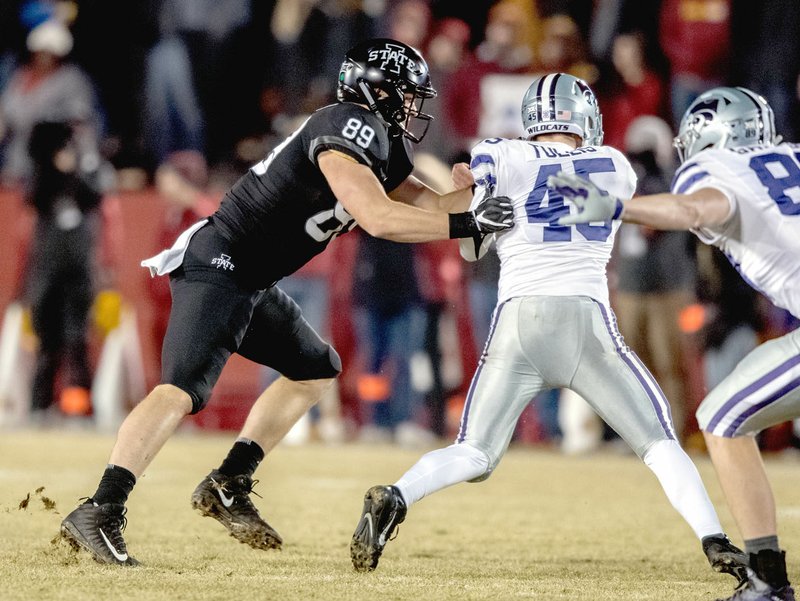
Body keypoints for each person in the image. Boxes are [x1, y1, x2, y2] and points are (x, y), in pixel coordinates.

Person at [58, 37, 514, 566]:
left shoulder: (377, 142)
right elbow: (379, 217)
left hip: (251, 277)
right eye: (408, 96)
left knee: (314, 367)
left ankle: (229, 482)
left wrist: (476, 191)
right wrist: (465, 220)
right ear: (378, 91)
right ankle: (101, 508)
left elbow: (432, 206)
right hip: (222, 262)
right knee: (180, 389)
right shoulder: (348, 123)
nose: (415, 109)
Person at [349, 73, 747, 595]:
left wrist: (471, 193)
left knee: (474, 453)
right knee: (657, 442)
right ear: (583, 118)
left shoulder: (499, 155)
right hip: (584, 319)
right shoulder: (614, 166)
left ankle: (397, 496)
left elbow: (472, 247)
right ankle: (714, 538)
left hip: (518, 319)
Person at [549, 86, 797, 601]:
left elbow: (694, 209)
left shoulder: (719, 170)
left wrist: (615, 207)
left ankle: (768, 583)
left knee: (723, 420)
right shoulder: (792, 156)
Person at [22, 120, 105, 420]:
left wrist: (74, 170)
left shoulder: (86, 173)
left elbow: (95, 196)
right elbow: (34, 197)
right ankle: (39, 406)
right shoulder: (44, 180)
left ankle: (80, 410)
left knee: (77, 341)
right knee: (47, 343)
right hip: (48, 273)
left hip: (78, 272)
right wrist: (54, 168)